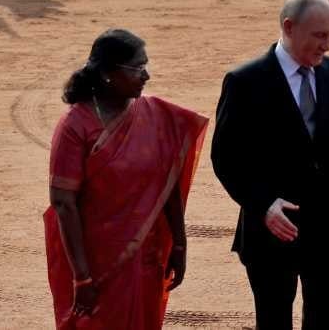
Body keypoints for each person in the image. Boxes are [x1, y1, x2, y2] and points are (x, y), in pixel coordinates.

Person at [212, 0, 329, 330]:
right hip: (273, 232)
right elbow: (226, 157)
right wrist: (262, 205)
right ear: (289, 27)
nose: (327, 45)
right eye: (319, 35)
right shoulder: (245, 81)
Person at [44, 29, 208, 330]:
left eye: (146, 66)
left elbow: (168, 179)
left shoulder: (156, 116)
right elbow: (63, 203)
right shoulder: (75, 126)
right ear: (107, 74)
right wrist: (81, 277)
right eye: (137, 68)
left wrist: (179, 243)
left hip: (145, 256)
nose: (146, 75)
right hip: (96, 261)